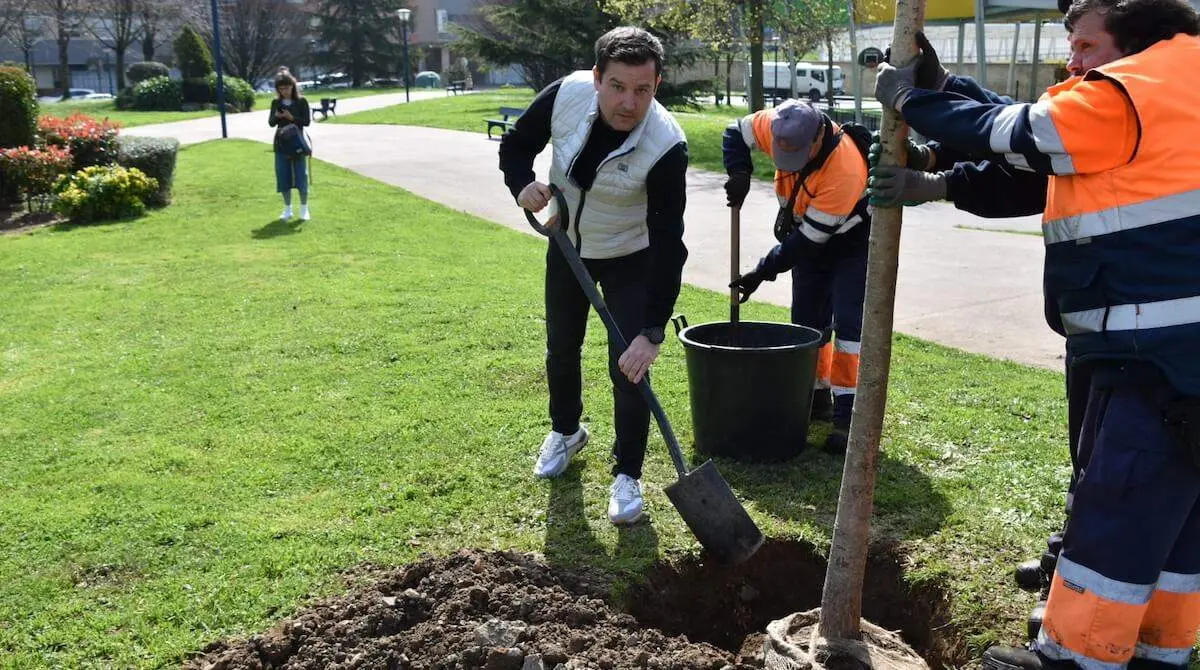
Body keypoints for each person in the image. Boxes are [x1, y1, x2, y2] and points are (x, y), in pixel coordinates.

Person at [875, 0, 1200, 666]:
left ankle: (1075, 656)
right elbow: (1032, 166)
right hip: (1173, 356)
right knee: (1178, 517)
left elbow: (1016, 133)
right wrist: (945, 95)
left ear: (1134, 44)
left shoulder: (1129, 93)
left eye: (1084, 46)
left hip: (1156, 361)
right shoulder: (1177, 88)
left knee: (1120, 505)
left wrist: (911, 100)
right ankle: (1155, 651)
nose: (1073, 63)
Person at [497, 26, 689, 525]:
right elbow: (515, 147)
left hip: (631, 257)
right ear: (598, 78)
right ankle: (566, 431)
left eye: (643, 90)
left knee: (629, 368)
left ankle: (627, 476)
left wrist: (651, 332)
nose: (630, 103)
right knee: (561, 345)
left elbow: (670, 244)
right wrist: (522, 185)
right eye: (619, 87)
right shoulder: (565, 94)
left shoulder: (666, 145)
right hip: (567, 244)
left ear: (657, 85)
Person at [722, 99, 870, 454]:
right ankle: (816, 397)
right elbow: (734, 133)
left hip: (850, 242)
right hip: (808, 234)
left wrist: (761, 272)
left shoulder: (844, 168)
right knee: (806, 324)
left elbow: (805, 243)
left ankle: (847, 418)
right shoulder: (777, 123)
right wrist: (739, 172)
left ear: (819, 136)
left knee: (848, 329)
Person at [268, 71, 311, 221]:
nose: (284, 91)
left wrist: (291, 118)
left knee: (301, 176)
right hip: (281, 144)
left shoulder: (302, 101)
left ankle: (304, 209)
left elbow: (306, 122)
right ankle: (287, 209)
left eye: (286, 88)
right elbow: (271, 123)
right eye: (281, 89)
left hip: (297, 143)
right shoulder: (276, 103)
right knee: (283, 176)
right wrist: (277, 117)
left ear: (293, 86)